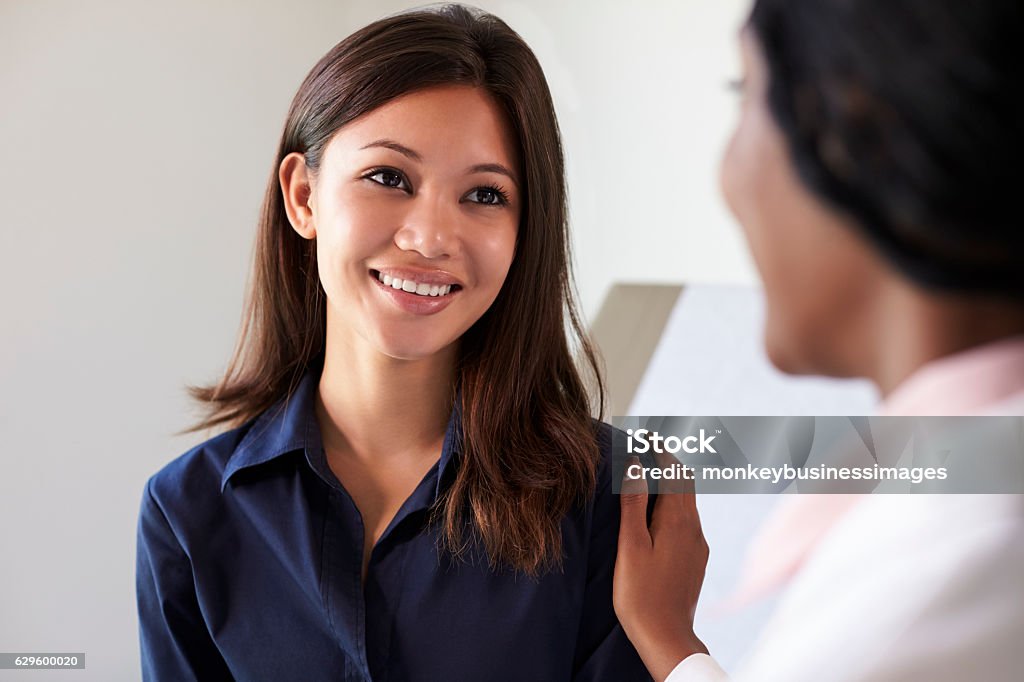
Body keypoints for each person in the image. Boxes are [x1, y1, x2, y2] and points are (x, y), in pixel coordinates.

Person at [135, 5, 649, 680]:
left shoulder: (612, 497)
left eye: (486, 195)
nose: (431, 237)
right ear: (303, 196)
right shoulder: (188, 511)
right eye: (389, 178)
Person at [613, 0, 1024, 680]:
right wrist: (671, 643)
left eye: (744, 94)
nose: (729, 183)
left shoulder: (958, 556)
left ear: (855, 128)